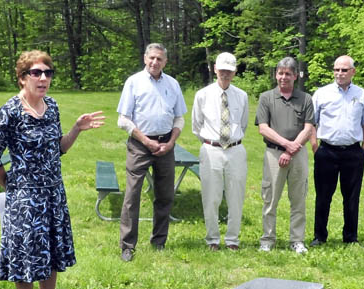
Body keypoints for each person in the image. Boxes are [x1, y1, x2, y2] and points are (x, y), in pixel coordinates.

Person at [0, 50, 104, 289]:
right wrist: (12, 187)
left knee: (50, 255)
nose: (43, 78)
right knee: (26, 261)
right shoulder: (10, 111)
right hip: (25, 199)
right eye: (36, 73)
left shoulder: (52, 107)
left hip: (53, 196)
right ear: (22, 77)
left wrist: (77, 128)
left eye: (48, 73)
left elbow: (58, 148)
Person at [117, 43, 187, 262]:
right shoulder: (134, 83)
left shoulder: (173, 84)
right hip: (140, 145)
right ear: (145, 58)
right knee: (132, 195)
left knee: (165, 195)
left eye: (160, 59)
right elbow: (123, 119)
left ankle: (159, 241)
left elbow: (179, 118)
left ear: (165, 62)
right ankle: (128, 246)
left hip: (166, 144)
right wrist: (146, 141)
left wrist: (171, 142)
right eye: (152, 58)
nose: (155, 62)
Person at [310, 55, 364, 246]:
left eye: (344, 70)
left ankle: (350, 237)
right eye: (336, 69)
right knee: (323, 196)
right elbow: (311, 121)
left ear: (353, 72)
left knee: (352, 197)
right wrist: (315, 146)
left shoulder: (362, 95)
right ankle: (319, 236)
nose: (339, 73)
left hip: (353, 153)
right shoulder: (322, 94)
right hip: (326, 152)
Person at [256, 57, 315, 253]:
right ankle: (267, 239)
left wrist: (291, 149)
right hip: (273, 155)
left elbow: (308, 128)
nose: (283, 77)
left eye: (288, 73)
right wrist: (285, 145)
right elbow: (263, 128)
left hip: (298, 155)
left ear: (295, 76)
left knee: (298, 199)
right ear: (276, 74)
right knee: (270, 199)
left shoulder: (305, 99)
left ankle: (297, 240)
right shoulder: (266, 98)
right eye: (280, 73)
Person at [191, 52, 248, 251]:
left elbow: (243, 124)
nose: (225, 74)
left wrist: (232, 141)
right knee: (211, 196)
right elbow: (196, 125)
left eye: (229, 71)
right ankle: (212, 239)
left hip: (235, 150)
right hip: (211, 149)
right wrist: (210, 142)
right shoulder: (203, 95)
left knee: (236, 196)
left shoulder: (242, 96)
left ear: (235, 72)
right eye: (222, 70)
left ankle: (232, 239)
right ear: (215, 69)